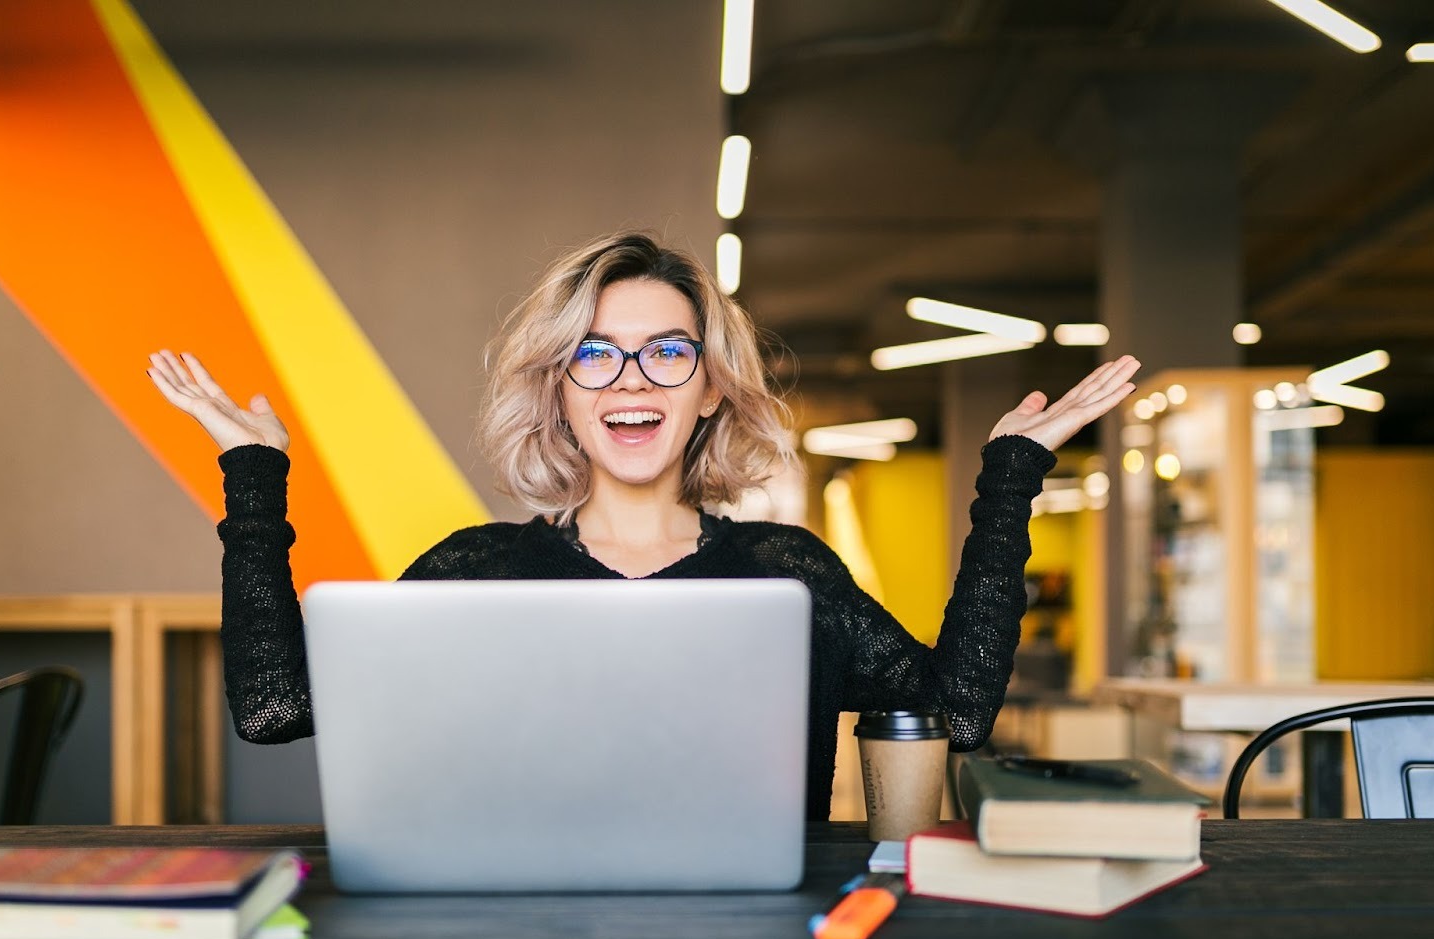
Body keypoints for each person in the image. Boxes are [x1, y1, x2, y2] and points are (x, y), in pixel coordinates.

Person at [148, 231, 1138, 820]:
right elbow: (274, 709)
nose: (630, 379)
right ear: (560, 391)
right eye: (595, 355)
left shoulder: (782, 574)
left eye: (667, 351)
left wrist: (1011, 479)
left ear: (710, 388)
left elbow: (955, 711)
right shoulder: (476, 572)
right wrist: (253, 479)